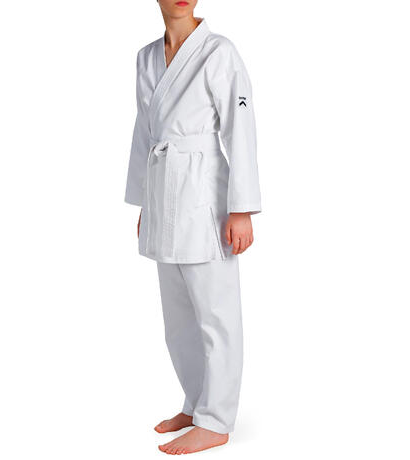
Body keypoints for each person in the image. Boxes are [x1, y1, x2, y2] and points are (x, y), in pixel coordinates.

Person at [124, 0, 261, 454]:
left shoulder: (219, 52)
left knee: (216, 314)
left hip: (205, 198)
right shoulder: (146, 57)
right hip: (163, 193)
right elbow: (144, 131)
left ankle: (217, 419)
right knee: (178, 317)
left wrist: (241, 208)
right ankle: (196, 402)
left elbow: (241, 127)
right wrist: (145, 200)